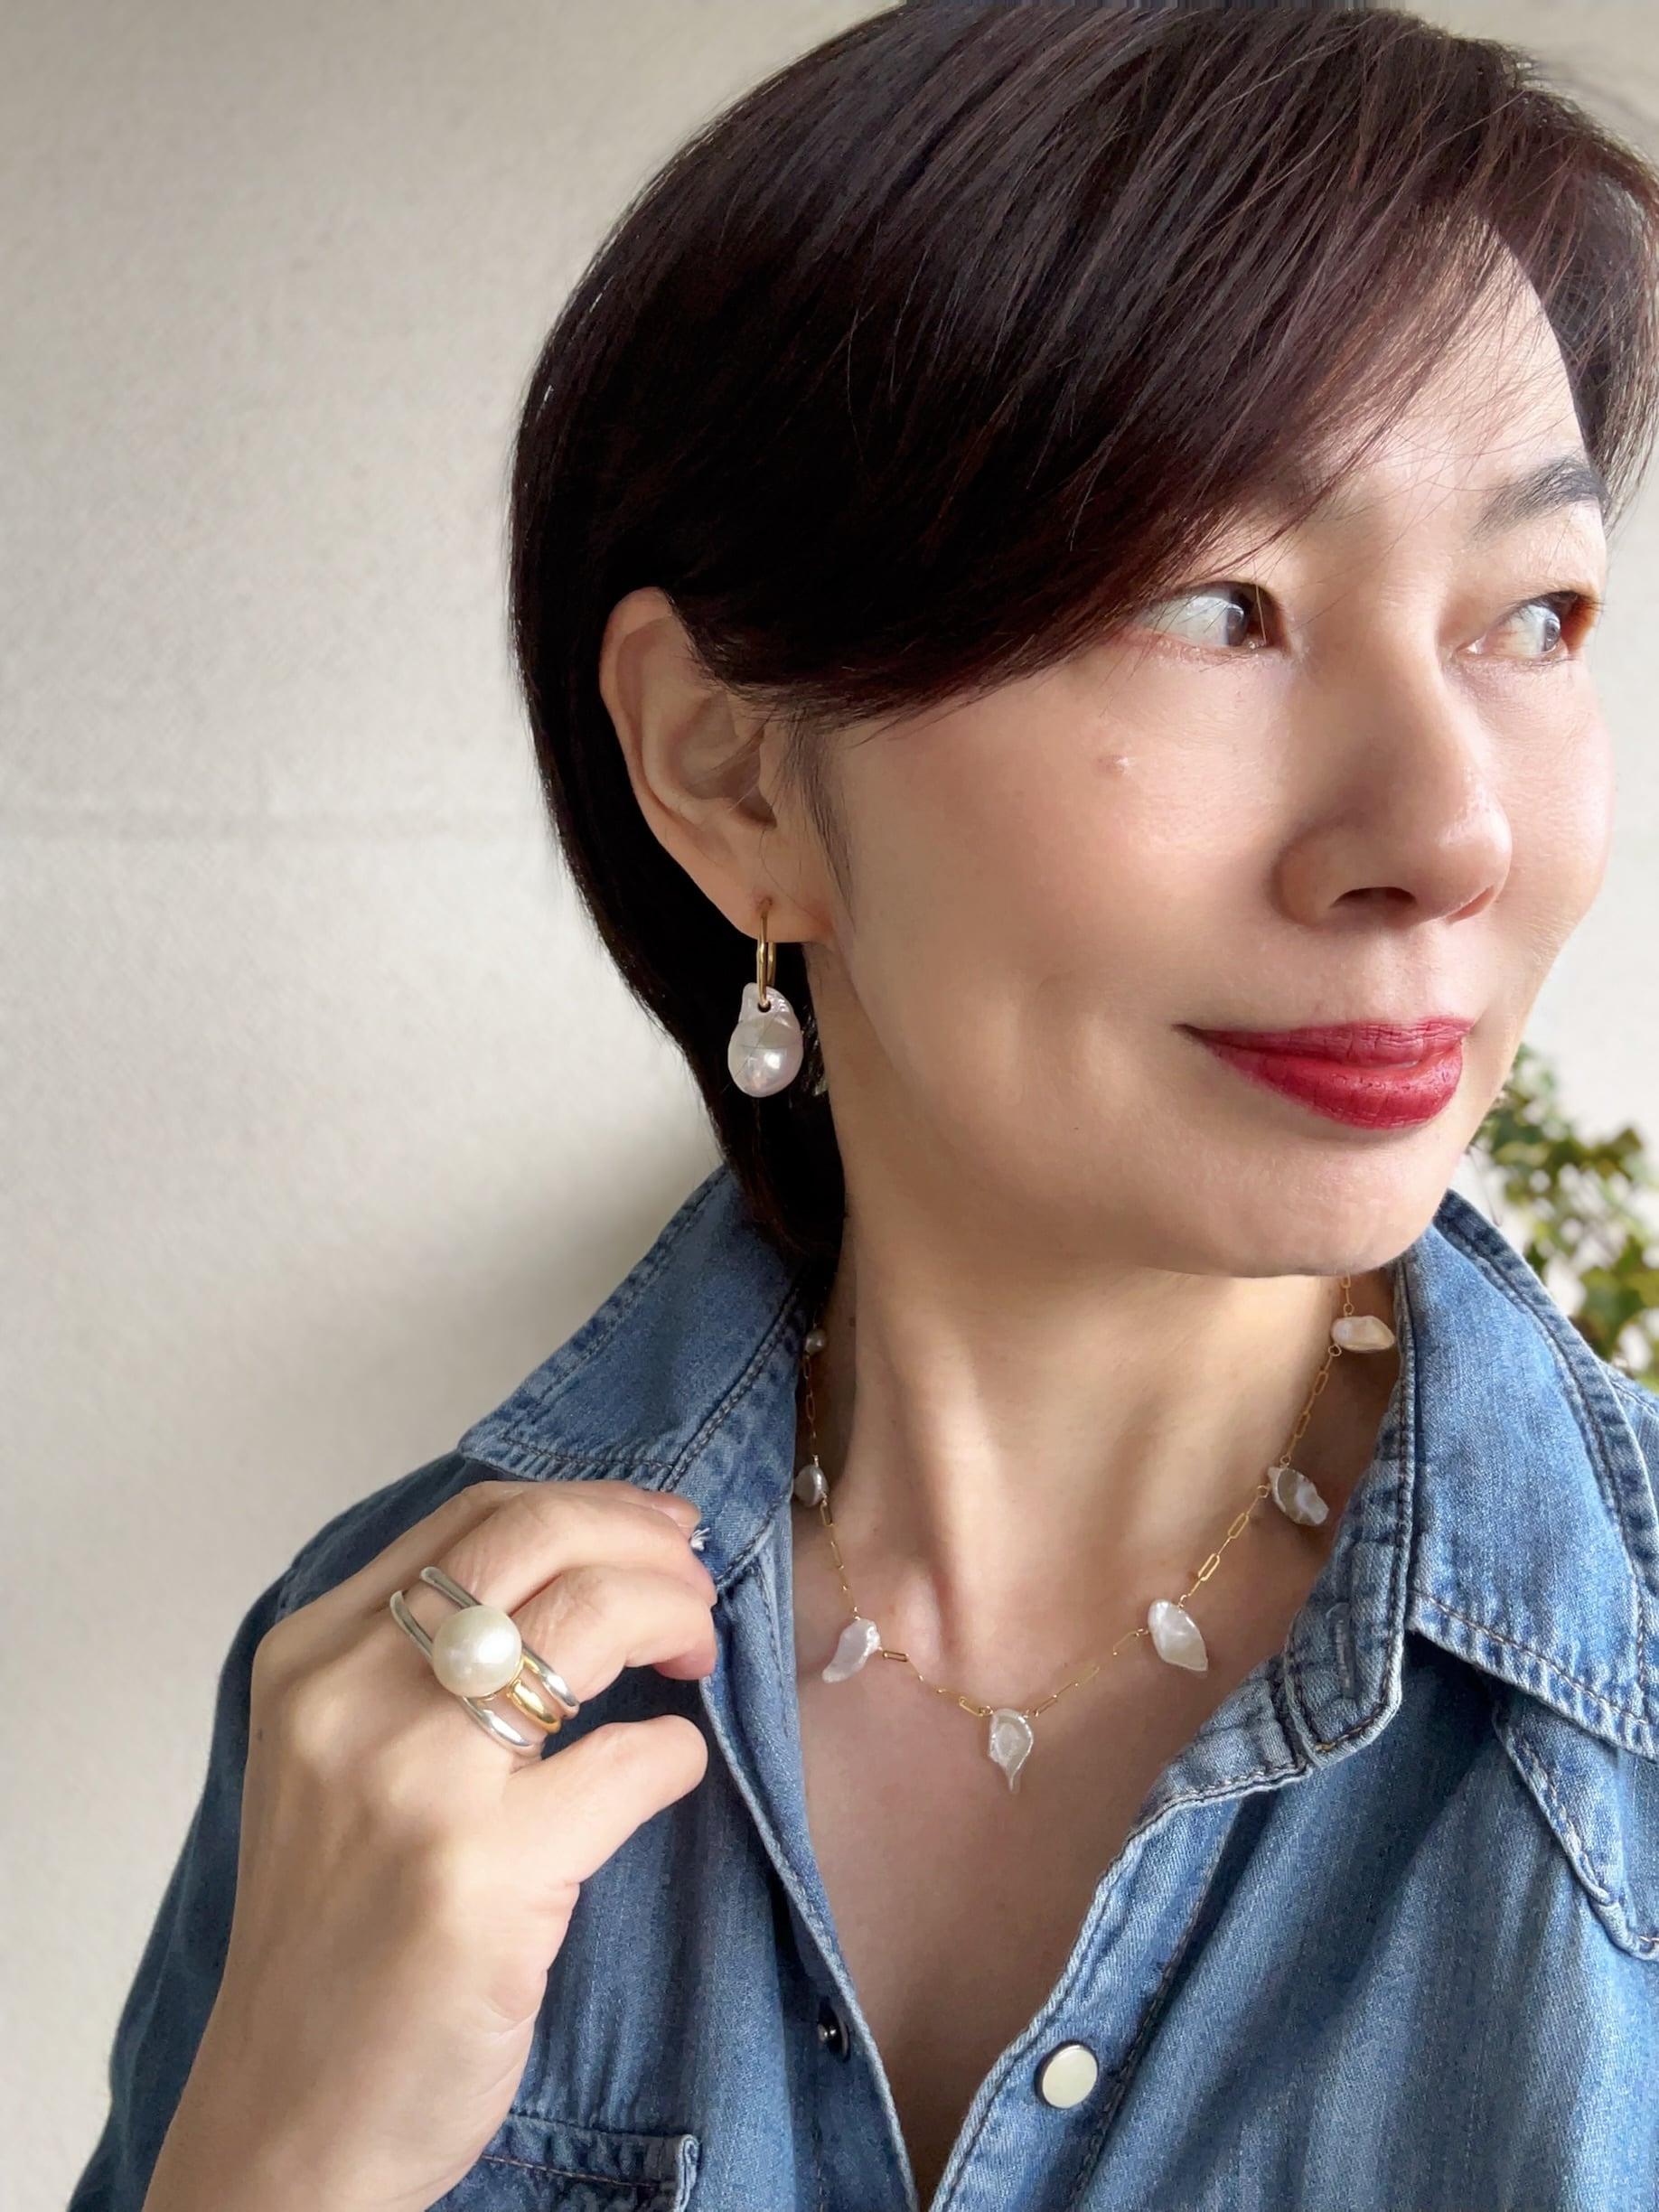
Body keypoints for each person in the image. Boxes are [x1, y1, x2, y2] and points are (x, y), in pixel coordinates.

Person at [70, 5, 1659, 2210]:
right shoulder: (391, 1690)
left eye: (1539, 615)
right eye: (1217, 605)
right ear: (733, 773)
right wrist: (272, 2159)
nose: (1451, 832)